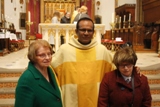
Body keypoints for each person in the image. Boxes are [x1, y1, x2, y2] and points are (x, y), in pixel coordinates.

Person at [51, 17, 116, 107]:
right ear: (76, 31)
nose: (86, 33)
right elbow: (50, 68)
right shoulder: (65, 50)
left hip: (95, 96)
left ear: (93, 32)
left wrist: (133, 70)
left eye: (89, 30)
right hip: (72, 97)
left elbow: (115, 67)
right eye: (83, 30)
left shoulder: (101, 50)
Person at [14, 40, 63, 107]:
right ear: (33, 57)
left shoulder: (50, 71)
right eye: (42, 55)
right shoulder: (26, 80)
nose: (47, 58)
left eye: (49, 54)